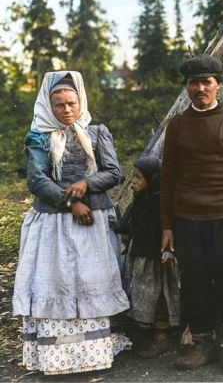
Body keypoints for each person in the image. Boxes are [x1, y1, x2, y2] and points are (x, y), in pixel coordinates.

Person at [12, 71, 130, 376]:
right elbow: (37, 180)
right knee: (59, 281)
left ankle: (93, 354)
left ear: (80, 102)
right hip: (54, 223)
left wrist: (86, 185)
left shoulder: (96, 132)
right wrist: (71, 200)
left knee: (90, 282)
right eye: (59, 105)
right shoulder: (38, 136)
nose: (66, 110)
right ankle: (56, 358)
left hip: (94, 222)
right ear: (48, 107)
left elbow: (114, 172)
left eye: (71, 103)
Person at [160, 55, 223, 372]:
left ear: (218, 85)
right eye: (193, 82)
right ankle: (200, 343)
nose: (200, 88)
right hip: (187, 218)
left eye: (206, 82)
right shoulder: (177, 125)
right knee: (194, 282)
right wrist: (167, 226)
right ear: (187, 86)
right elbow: (168, 178)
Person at [121, 157, 180, 358]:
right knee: (144, 294)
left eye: (138, 177)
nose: (133, 181)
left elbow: (166, 230)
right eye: (132, 177)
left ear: (152, 178)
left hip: (155, 260)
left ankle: (161, 339)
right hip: (141, 257)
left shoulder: (159, 202)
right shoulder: (141, 200)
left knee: (159, 297)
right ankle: (145, 334)